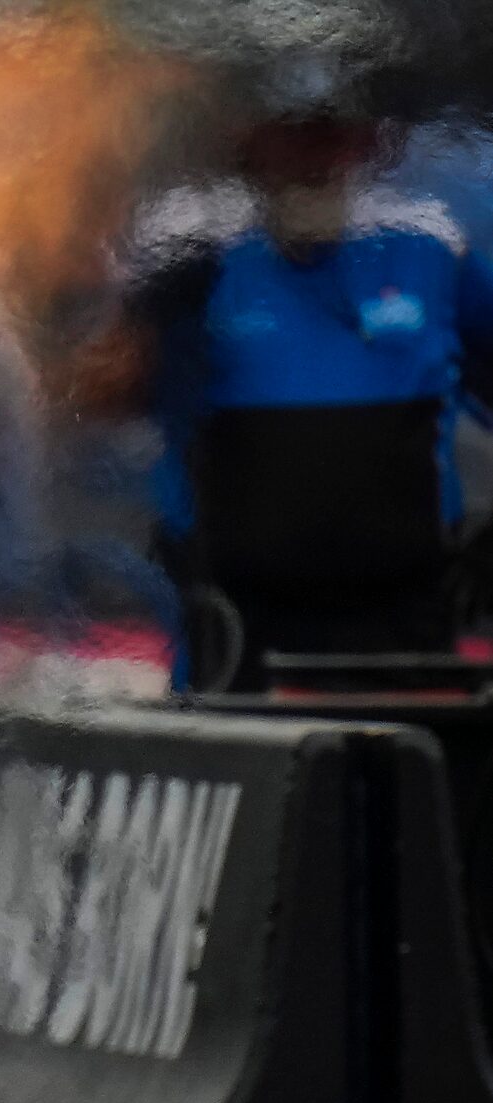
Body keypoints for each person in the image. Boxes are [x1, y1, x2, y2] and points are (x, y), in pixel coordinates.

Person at [137, 69, 493, 682]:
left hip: (403, 628)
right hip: (240, 633)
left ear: (363, 142)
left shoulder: (428, 250)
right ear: (249, 141)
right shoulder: (194, 257)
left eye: (330, 136)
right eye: (292, 135)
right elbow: (95, 392)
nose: (311, 159)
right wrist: (146, 318)